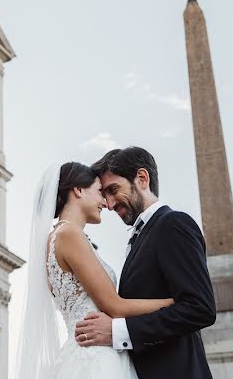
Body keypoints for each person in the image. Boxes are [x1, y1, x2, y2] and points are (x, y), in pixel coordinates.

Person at [14, 162, 174, 379]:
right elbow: (115, 306)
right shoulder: (69, 234)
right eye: (100, 192)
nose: (106, 203)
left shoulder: (58, 237)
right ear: (78, 190)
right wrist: (176, 303)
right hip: (97, 356)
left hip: (85, 352)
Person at [74, 147, 216, 378]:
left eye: (113, 190)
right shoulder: (142, 235)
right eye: (104, 194)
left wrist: (116, 331)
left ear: (141, 179)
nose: (109, 204)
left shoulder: (173, 224)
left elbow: (200, 308)